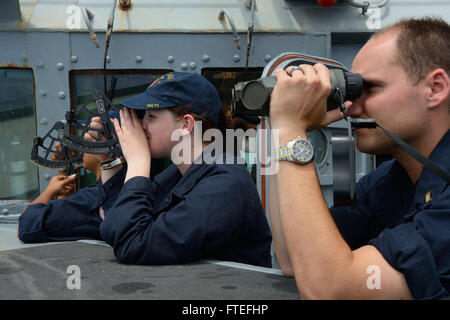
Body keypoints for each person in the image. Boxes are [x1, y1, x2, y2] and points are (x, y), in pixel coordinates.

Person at [268, 16, 449, 299]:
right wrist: (287, 131)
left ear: (435, 88)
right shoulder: (389, 181)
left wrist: (291, 133)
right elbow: (294, 259)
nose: (351, 107)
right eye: (352, 90)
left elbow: (330, 289)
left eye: (371, 88)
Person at [19, 72, 272, 268]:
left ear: (185, 124)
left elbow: (132, 244)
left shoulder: (226, 184)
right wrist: (108, 161)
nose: (140, 126)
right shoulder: (174, 177)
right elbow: (111, 225)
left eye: (150, 116)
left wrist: (139, 162)